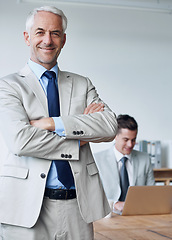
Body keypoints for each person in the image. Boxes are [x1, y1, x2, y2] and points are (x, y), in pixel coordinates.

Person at [0, 6, 118, 240]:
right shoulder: (9, 85)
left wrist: (50, 123)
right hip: (27, 208)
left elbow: (109, 126)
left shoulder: (82, 84)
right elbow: (20, 141)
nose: (48, 40)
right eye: (40, 32)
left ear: (63, 39)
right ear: (27, 37)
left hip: (78, 207)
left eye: (55, 33)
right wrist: (77, 140)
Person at [94, 114, 155, 214]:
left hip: (139, 214)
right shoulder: (98, 159)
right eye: (126, 140)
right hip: (109, 214)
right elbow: (93, 194)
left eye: (133, 140)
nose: (130, 145)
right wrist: (114, 204)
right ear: (115, 136)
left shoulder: (145, 159)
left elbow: (152, 192)